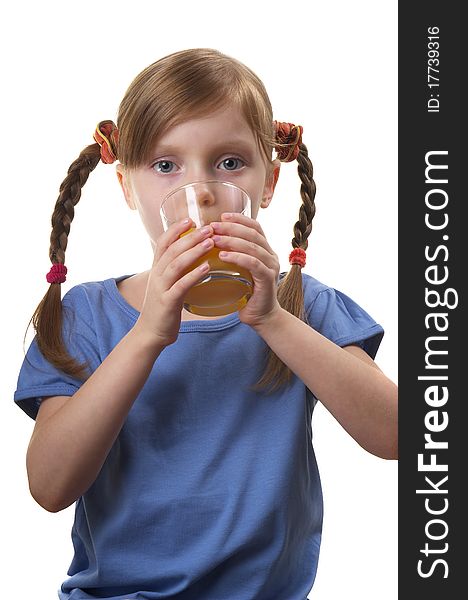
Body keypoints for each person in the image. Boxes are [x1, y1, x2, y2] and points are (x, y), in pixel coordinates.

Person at [14, 48, 397, 600]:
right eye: (165, 165)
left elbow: (399, 435)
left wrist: (271, 319)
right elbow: (49, 487)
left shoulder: (301, 306)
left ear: (268, 183)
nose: (203, 191)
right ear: (127, 186)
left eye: (230, 162)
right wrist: (147, 334)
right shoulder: (87, 314)